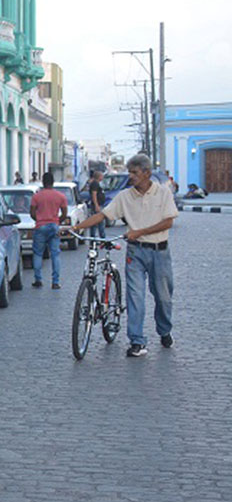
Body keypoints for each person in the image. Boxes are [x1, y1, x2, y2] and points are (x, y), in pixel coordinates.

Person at [76, 153, 177, 357]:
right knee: (135, 297)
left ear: (147, 173)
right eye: (130, 172)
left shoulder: (163, 193)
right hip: (135, 253)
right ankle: (137, 341)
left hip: (160, 252)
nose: (131, 176)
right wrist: (76, 226)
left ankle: (164, 330)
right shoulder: (124, 196)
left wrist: (139, 231)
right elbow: (102, 215)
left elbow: (168, 222)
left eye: (134, 172)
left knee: (163, 297)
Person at [29, 171, 68, 289]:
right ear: (53, 182)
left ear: (43, 182)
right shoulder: (60, 196)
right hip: (54, 225)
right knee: (55, 254)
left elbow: (32, 212)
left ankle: (38, 279)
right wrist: (57, 221)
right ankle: (55, 282)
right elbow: (64, 213)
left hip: (40, 226)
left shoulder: (36, 196)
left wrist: (39, 220)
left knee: (38, 253)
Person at [86, 170, 106, 239]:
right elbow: (94, 194)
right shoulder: (95, 184)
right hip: (97, 205)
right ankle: (100, 237)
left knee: (99, 221)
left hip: (99, 204)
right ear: (99, 176)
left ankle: (98, 237)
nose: (103, 177)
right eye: (102, 176)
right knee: (98, 221)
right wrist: (96, 205)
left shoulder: (97, 183)